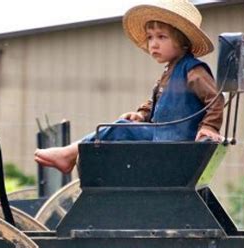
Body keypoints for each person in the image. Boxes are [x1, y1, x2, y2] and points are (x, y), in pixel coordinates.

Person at [35, 0, 225, 174]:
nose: (154, 44)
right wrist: (141, 115)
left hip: (174, 142)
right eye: (150, 38)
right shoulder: (170, 72)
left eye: (161, 37)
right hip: (162, 138)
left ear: (183, 42)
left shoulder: (193, 70)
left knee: (120, 129)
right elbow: (157, 103)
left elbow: (215, 98)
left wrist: (209, 127)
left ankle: (69, 154)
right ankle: (85, 161)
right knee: (125, 126)